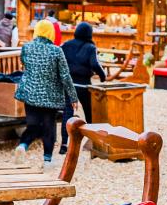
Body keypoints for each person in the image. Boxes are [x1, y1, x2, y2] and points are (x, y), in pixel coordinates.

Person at [15, 19, 78, 163]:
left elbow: (24, 64)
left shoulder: (26, 47)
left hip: (30, 93)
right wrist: (73, 97)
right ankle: (47, 159)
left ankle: (23, 145)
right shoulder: (56, 51)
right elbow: (65, 76)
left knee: (33, 124)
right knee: (49, 126)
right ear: (51, 33)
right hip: (50, 96)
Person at [59, 21, 106, 153]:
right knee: (89, 112)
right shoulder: (90, 47)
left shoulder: (66, 45)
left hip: (68, 84)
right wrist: (103, 77)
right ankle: (93, 141)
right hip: (84, 84)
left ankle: (64, 145)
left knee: (67, 114)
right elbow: (94, 64)